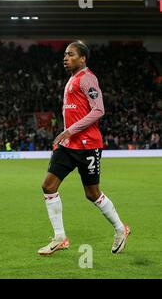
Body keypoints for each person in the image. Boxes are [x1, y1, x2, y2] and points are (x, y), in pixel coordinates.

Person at [38, 41, 130, 255]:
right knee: (48, 186)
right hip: (69, 145)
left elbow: (99, 110)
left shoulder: (88, 78)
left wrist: (69, 130)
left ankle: (120, 229)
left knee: (92, 193)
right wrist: (65, 135)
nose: (65, 58)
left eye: (70, 54)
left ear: (83, 59)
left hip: (88, 145)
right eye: (64, 54)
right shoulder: (73, 79)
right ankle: (60, 237)